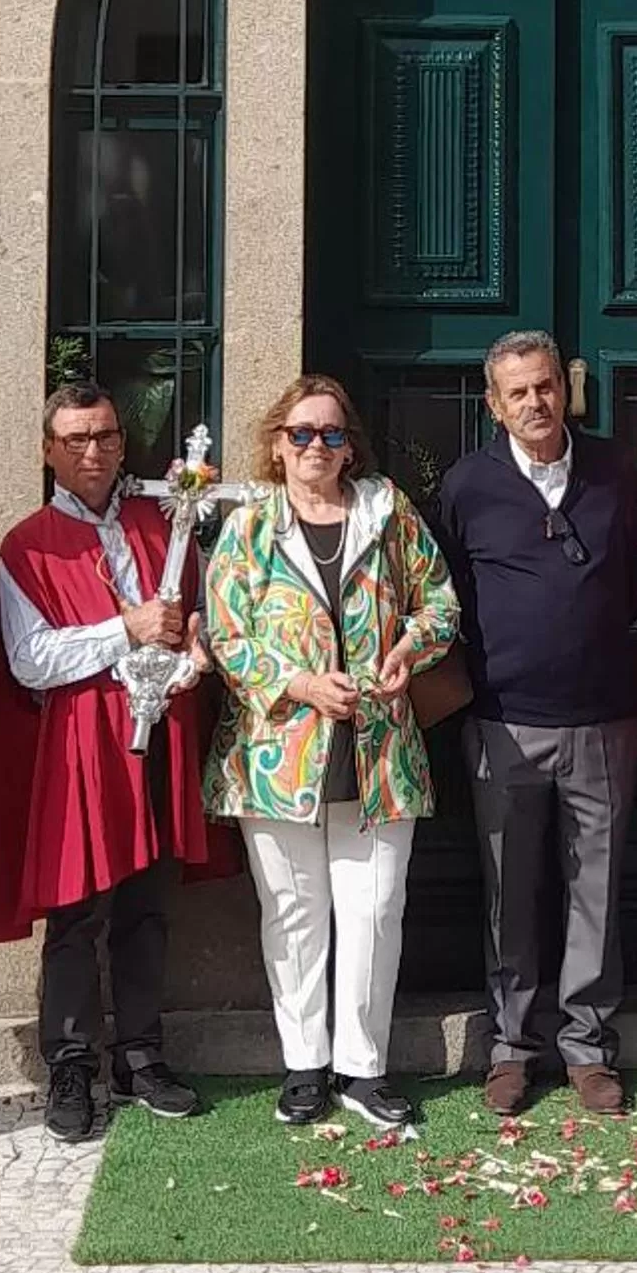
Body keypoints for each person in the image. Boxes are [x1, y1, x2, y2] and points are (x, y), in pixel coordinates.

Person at [0, 385, 236, 1140]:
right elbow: (32, 658)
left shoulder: (159, 525)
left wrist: (195, 649)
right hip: (81, 744)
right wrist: (127, 629)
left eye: (104, 436)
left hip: (162, 731)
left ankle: (140, 1056)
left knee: (149, 902)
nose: (93, 452)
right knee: (78, 909)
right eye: (74, 439)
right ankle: (70, 1061)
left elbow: (196, 616)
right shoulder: (28, 544)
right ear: (48, 449)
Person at [200, 374, 461, 1131]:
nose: (318, 446)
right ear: (277, 445)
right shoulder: (249, 528)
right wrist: (300, 683)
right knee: (294, 912)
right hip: (280, 750)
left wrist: (412, 646)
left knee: (375, 910)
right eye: (303, 434)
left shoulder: (389, 513)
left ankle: (363, 1066)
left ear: (352, 447)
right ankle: (304, 1064)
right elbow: (225, 634)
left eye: (333, 433)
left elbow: (439, 599)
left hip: (380, 749)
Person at [435, 331, 637, 1118]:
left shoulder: (616, 471)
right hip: (503, 724)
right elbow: (447, 592)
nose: (535, 402)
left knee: (596, 887)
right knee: (511, 894)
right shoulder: (468, 486)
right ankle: (512, 1048)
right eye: (517, 392)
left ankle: (589, 1048)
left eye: (545, 386)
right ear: (494, 405)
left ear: (566, 390)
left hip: (604, 719)